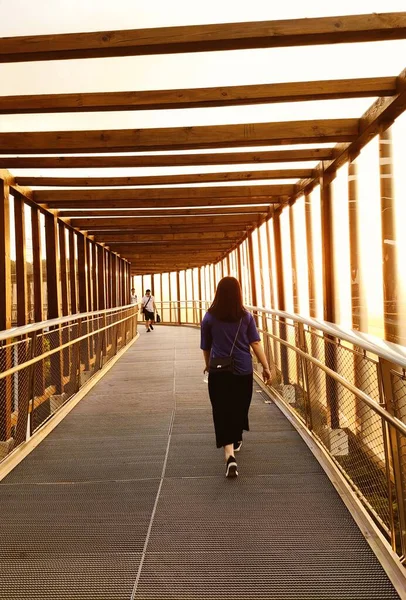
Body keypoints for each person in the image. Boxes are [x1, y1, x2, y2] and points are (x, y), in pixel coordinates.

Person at [200, 277, 271, 478]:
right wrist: (266, 367)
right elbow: (255, 343)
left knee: (222, 411)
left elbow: (206, 346)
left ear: (218, 293)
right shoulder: (246, 317)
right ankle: (236, 437)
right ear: (239, 293)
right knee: (240, 406)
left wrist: (208, 364)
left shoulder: (209, 318)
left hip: (219, 372)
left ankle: (229, 455)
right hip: (242, 370)